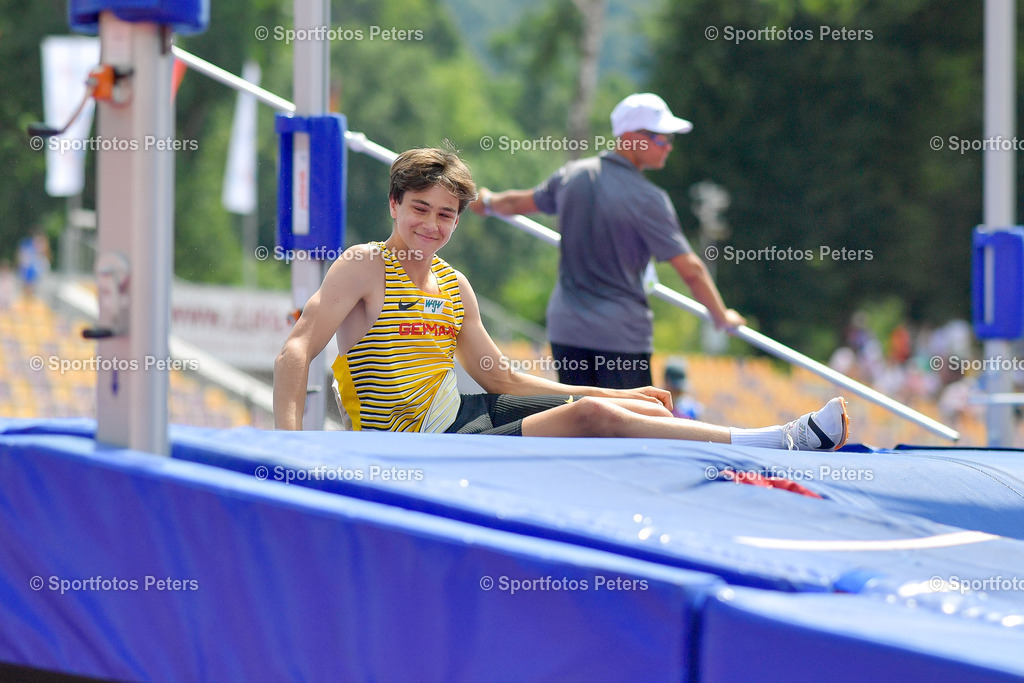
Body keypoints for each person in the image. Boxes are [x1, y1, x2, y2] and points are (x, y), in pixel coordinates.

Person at [274, 146, 849, 451]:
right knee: (596, 417)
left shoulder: (453, 285)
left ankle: (723, 463)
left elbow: (503, 381)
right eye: (419, 209)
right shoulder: (365, 265)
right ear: (395, 205)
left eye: (445, 214)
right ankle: (780, 439)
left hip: (468, 417)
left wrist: (613, 389)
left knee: (639, 407)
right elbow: (295, 351)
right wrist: (291, 450)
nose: (431, 224)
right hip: (415, 444)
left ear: (458, 221)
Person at [470, 92, 745, 389]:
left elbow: (514, 204)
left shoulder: (572, 175)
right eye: (662, 139)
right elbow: (690, 269)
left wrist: (486, 201)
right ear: (629, 137)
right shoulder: (649, 199)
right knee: (629, 428)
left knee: (582, 424)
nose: (668, 148)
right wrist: (721, 315)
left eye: (670, 140)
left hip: (567, 331)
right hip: (620, 338)